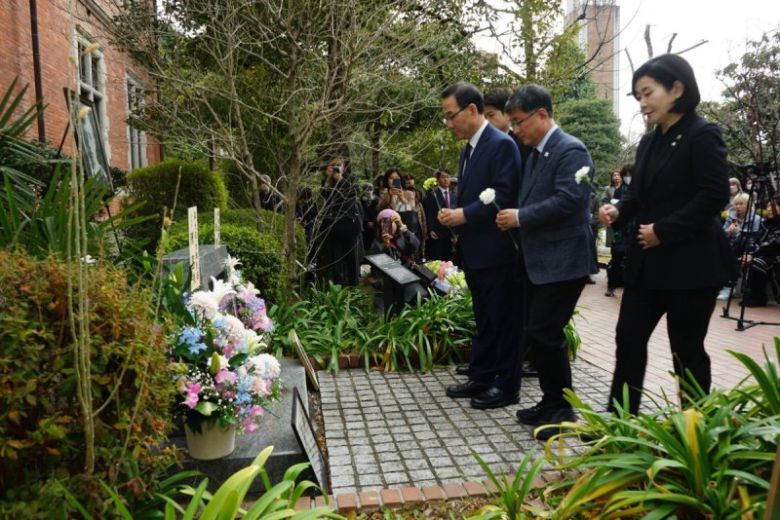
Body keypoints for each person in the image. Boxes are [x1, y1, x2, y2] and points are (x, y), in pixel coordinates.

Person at [598, 54, 739, 415]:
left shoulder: (702, 134)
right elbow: (638, 195)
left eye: (648, 93)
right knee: (628, 339)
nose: (642, 103)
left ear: (676, 88)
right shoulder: (648, 142)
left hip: (692, 266)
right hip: (648, 265)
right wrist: (619, 209)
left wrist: (664, 230)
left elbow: (714, 195)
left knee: (686, 351)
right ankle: (619, 427)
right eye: (637, 96)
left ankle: (695, 434)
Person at [496, 84, 598, 440]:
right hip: (539, 260)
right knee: (539, 333)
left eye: (518, 121)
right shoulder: (537, 153)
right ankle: (551, 399)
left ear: (542, 115)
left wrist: (521, 217)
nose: (515, 129)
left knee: (545, 332)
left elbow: (570, 200)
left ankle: (562, 408)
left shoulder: (571, 150)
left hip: (564, 260)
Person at [438, 82, 523, 410]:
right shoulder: (468, 149)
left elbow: (503, 194)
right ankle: (482, 375)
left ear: (471, 109)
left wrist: (463, 214)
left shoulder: (502, 145)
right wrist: (455, 214)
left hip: (498, 251)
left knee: (504, 319)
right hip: (475, 251)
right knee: (485, 317)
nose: (449, 123)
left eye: (451, 116)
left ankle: (506, 385)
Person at [315, 157, 364, 287]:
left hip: (350, 225)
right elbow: (324, 197)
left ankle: (353, 286)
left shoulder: (351, 179)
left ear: (344, 167)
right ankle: (338, 286)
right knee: (336, 258)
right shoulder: (326, 182)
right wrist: (328, 178)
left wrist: (340, 179)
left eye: (339, 165)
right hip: (333, 226)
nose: (336, 168)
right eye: (333, 165)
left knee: (352, 257)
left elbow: (355, 192)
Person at [378, 167, 427, 257]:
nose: (394, 180)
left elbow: (412, 212)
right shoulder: (384, 196)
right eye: (391, 178)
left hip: (409, 233)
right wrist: (390, 198)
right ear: (387, 180)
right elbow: (381, 213)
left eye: (396, 178)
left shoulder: (409, 193)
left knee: (413, 261)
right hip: (394, 235)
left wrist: (402, 198)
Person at [740, 197, 780, 307]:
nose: (769, 209)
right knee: (744, 259)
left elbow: (774, 244)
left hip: (776, 256)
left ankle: (758, 297)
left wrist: (753, 255)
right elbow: (756, 240)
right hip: (763, 255)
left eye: (773, 206)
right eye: (767, 206)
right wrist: (749, 253)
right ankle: (750, 295)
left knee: (756, 263)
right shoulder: (765, 223)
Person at [603, 165, 633, 296]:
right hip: (620, 230)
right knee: (616, 258)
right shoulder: (619, 190)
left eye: (629, 175)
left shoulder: (639, 189)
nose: (627, 178)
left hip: (634, 230)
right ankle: (611, 286)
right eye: (625, 175)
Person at [423, 169, 457, 261]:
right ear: (437, 180)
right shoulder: (432, 195)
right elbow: (428, 213)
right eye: (443, 177)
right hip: (437, 233)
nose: (446, 179)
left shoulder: (454, 195)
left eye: (448, 177)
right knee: (438, 259)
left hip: (451, 234)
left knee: (451, 260)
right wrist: (430, 230)